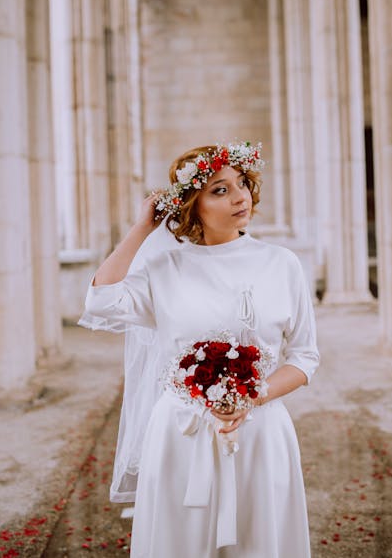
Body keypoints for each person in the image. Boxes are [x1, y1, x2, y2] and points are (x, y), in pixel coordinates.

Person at [80, 142, 320, 558]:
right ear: (192, 204)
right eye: (219, 189)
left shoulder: (282, 264)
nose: (240, 196)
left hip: (261, 435)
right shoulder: (163, 268)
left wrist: (252, 395)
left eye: (242, 183)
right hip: (179, 435)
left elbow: (304, 357)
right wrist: (141, 229)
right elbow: (100, 303)